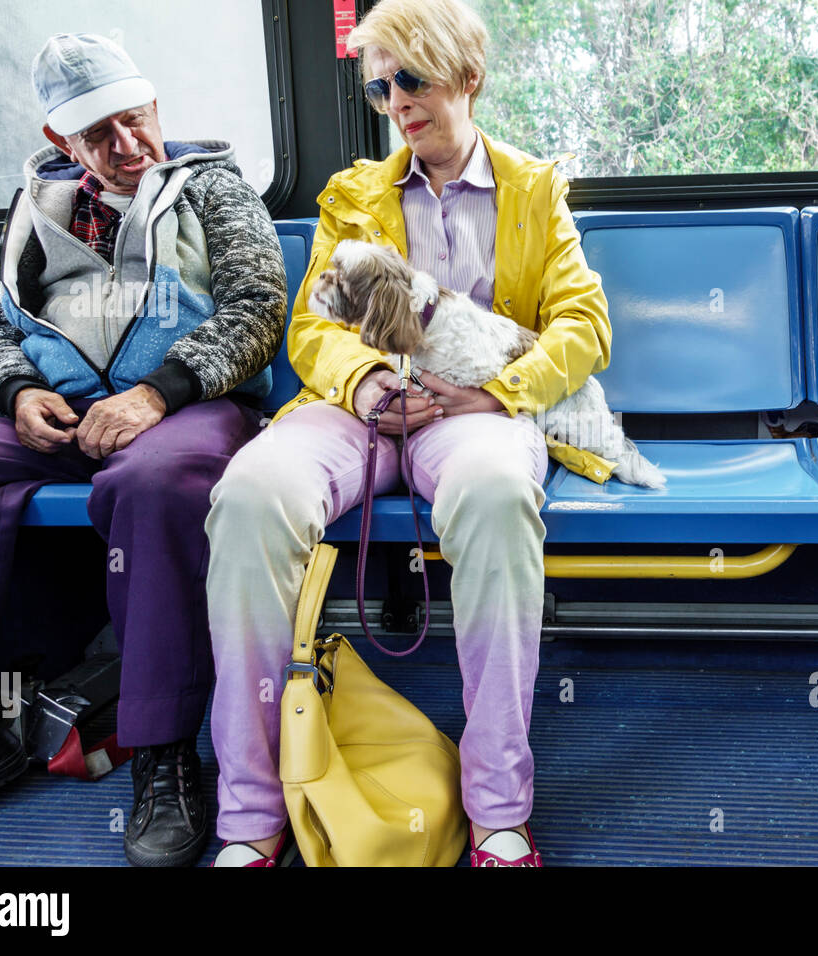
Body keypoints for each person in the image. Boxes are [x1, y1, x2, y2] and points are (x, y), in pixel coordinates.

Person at [205, 0, 614, 867]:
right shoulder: (354, 195)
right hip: (358, 409)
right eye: (382, 85)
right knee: (247, 494)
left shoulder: (535, 192)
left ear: (468, 77)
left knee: (501, 494)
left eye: (412, 79)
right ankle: (250, 814)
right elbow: (313, 330)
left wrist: (498, 392)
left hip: (472, 412)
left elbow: (584, 325)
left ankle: (499, 810)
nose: (395, 100)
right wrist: (362, 385)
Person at [0, 33, 287, 867]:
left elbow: (259, 311)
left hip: (185, 410)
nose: (129, 148)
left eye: (137, 121)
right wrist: (17, 392)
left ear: (156, 108)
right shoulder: (34, 211)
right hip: (61, 418)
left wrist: (158, 391)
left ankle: (162, 751)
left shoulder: (215, 189)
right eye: (100, 136)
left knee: (158, 486)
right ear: (62, 143)